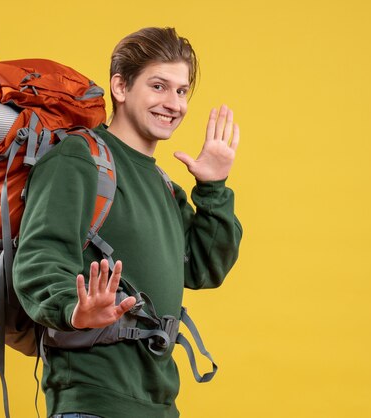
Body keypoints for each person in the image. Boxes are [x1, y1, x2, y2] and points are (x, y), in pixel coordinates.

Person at [13, 27, 242, 418]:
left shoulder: (162, 184)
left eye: (182, 91)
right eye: (158, 86)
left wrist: (214, 187)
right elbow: (38, 259)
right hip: (92, 402)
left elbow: (207, 267)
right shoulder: (78, 160)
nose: (174, 103)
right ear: (121, 86)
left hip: (159, 404)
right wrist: (74, 310)